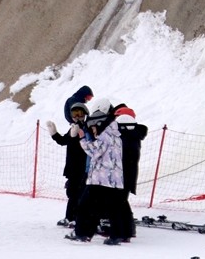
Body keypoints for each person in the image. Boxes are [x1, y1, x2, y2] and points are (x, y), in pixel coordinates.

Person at [67, 98, 127, 244]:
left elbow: (95, 151)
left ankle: (82, 233)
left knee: (85, 206)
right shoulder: (115, 133)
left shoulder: (106, 134)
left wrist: (82, 138)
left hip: (101, 178)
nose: (93, 128)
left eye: (95, 125)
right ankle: (116, 235)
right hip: (112, 178)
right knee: (113, 209)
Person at [47, 95, 91, 227]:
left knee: (79, 193)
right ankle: (69, 217)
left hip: (82, 168)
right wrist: (54, 133)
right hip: (72, 167)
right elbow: (63, 141)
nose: (77, 117)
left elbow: (88, 146)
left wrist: (75, 136)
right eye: (74, 114)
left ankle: (77, 218)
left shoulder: (87, 129)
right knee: (72, 192)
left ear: (85, 115)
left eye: (80, 114)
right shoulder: (73, 128)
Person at [109, 104, 148, 243]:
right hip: (127, 175)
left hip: (121, 175)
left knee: (118, 203)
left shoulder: (124, 136)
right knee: (121, 202)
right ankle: (127, 231)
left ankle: (122, 232)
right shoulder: (132, 135)